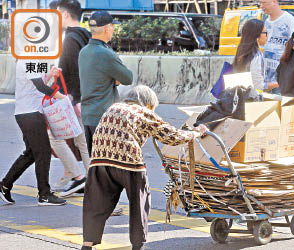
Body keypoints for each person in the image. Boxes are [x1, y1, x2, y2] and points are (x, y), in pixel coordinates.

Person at [81, 86, 208, 250]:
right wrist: (196, 133)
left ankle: (87, 245)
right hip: (128, 161)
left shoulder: (113, 107)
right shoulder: (143, 112)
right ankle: (138, 245)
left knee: (96, 203)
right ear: (148, 104)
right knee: (139, 202)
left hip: (99, 161)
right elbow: (172, 136)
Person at [79, 10, 132, 215]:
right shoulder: (106, 53)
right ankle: (105, 207)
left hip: (89, 116)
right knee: (109, 165)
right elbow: (127, 77)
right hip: (105, 118)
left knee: (97, 165)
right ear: (108, 28)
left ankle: (97, 205)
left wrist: (111, 78)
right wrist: (114, 79)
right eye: (112, 28)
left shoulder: (84, 52)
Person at [0, 61, 67, 206]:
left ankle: (5, 185)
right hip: (29, 114)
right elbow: (40, 86)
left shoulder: (34, 59)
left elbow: (36, 82)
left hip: (30, 112)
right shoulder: (27, 59)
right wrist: (64, 98)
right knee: (43, 153)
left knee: (31, 153)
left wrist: (50, 74)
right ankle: (44, 195)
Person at [46, 0, 92, 197]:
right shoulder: (87, 35)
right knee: (81, 142)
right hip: (86, 96)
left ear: (64, 15)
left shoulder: (70, 40)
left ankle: (79, 178)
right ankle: (86, 178)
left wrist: (76, 99)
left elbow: (74, 72)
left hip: (74, 98)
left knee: (55, 137)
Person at [259, 0, 294, 94]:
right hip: (266, 79)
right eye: (260, 3)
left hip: (281, 79)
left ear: (274, 2)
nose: (261, 6)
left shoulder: (289, 21)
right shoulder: (266, 22)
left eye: (264, 3)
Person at [232, 19, 267, 91]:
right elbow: (258, 86)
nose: (267, 36)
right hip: (251, 99)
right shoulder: (256, 56)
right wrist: (277, 83)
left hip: (240, 97)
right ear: (257, 35)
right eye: (265, 33)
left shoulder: (242, 51)